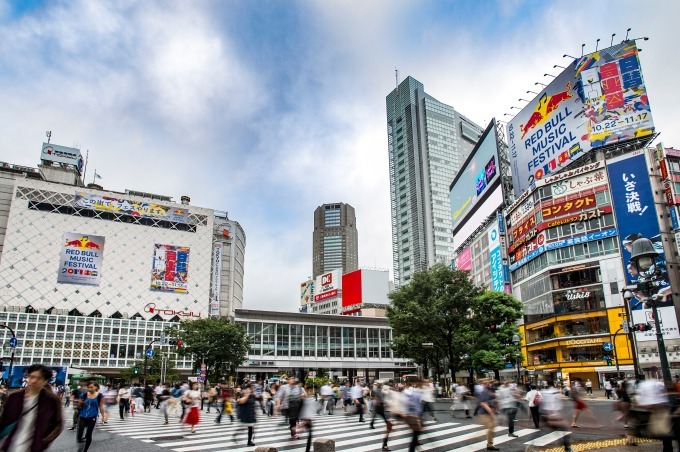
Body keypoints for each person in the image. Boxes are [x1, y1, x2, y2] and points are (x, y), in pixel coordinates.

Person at [0, 364, 63, 451]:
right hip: (10, 445)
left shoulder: (51, 401)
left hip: (34, 447)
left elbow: (58, 424)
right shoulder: (13, 397)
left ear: (45, 381)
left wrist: (44, 441)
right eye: (31, 377)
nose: (33, 381)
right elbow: (3, 420)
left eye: (38, 378)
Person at [537, 381, 572, 452]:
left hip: (544, 415)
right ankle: (567, 448)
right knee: (565, 429)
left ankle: (564, 445)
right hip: (552, 415)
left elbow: (540, 403)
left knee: (557, 430)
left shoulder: (542, 392)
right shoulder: (555, 392)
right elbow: (557, 405)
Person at [77, 381, 104, 451]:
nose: (89, 389)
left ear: (96, 387)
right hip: (83, 415)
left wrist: (103, 416)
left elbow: (101, 406)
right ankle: (80, 443)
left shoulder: (100, 395)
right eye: (88, 387)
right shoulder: (84, 394)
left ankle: (85, 449)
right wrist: (80, 403)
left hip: (92, 416)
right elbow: (79, 404)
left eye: (91, 387)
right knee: (80, 433)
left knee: (89, 434)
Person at [475, 379, 499, 451]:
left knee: (492, 427)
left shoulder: (489, 392)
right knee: (491, 427)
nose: (488, 384)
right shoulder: (484, 392)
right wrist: (492, 413)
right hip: (484, 413)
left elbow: (493, 400)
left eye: (488, 383)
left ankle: (490, 443)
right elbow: (484, 403)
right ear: (484, 385)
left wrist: (494, 409)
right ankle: (489, 444)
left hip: (488, 412)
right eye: (486, 383)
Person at [370, 380, 393, 451]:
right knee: (382, 416)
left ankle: (372, 423)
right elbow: (377, 397)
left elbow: (383, 397)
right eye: (381, 384)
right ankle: (384, 444)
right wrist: (379, 403)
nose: (381, 384)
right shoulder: (378, 390)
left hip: (381, 405)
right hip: (379, 405)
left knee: (376, 415)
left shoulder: (381, 389)